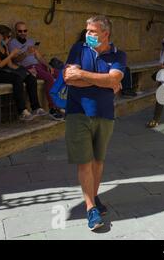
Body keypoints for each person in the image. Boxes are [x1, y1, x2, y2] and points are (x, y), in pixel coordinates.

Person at [63, 15, 126, 231]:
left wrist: (82, 74)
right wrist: (104, 81)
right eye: (87, 31)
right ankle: (91, 208)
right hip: (77, 113)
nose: (88, 35)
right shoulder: (78, 49)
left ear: (105, 33)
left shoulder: (118, 54)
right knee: (85, 162)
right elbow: (69, 79)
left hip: (105, 114)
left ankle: (93, 196)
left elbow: (114, 79)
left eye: (92, 31)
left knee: (98, 161)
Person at [0, 25, 47, 121]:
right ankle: (22, 111)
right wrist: (12, 55)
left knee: (30, 77)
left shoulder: (4, 46)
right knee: (17, 78)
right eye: (8, 37)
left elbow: (10, 65)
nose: (9, 39)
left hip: (1, 71)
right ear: (0, 36)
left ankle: (36, 107)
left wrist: (25, 71)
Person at [9, 22, 64, 121]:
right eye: (20, 31)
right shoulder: (12, 43)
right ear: (16, 32)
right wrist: (26, 53)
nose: (23, 33)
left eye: (25, 31)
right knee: (49, 78)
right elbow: (14, 60)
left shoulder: (31, 41)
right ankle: (53, 108)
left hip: (39, 65)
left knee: (62, 75)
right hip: (29, 67)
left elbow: (38, 56)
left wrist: (48, 66)